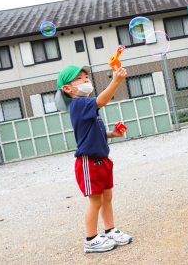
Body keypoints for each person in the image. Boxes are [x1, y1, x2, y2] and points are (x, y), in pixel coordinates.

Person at [55, 65, 133, 253]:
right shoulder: (78, 104)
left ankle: (110, 230)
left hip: (102, 160)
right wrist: (116, 81)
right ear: (67, 88)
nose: (86, 80)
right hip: (89, 162)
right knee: (95, 201)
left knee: (107, 197)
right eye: (79, 79)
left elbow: (93, 132)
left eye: (86, 77)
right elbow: (103, 100)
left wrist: (111, 134)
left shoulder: (86, 105)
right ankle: (90, 239)